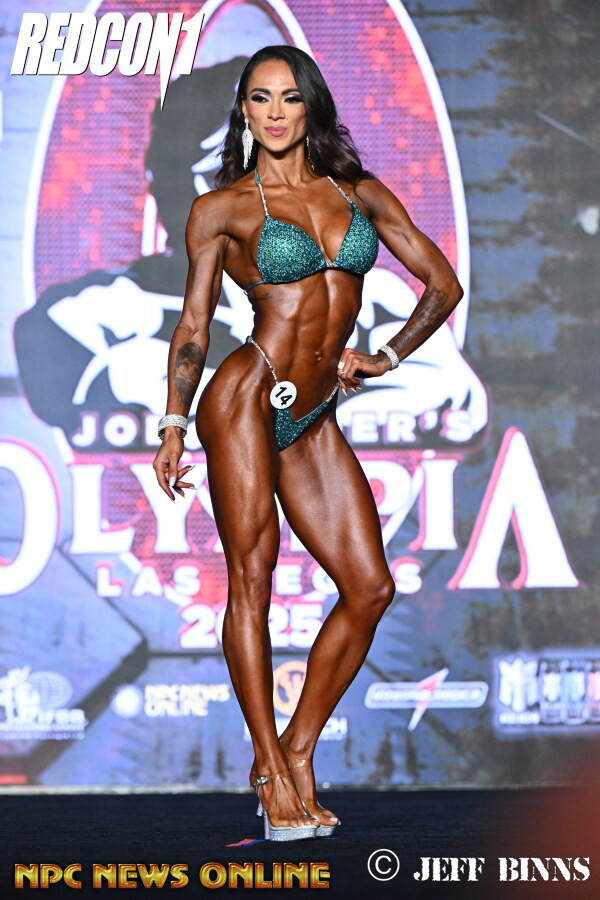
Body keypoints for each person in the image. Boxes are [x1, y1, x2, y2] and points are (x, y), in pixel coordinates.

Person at [153, 45, 463, 841]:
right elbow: (194, 328)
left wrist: (388, 354)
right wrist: (174, 424)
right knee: (251, 579)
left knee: (370, 587)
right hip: (245, 398)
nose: (275, 112)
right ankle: (267, 768)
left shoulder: (357, 193)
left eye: (289, 97)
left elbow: (443, 284)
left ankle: (299, 745)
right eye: (260, 98)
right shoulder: (221, 209)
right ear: (244, 111)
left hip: (313, 412)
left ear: (310, 105)